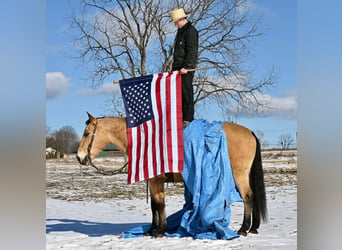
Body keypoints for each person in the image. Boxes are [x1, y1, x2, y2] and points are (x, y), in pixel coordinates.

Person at [170, 8, 199, 127]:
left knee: (186, 92)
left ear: (182, 19)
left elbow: (192, 51)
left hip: (185, 69)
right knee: (177, 93)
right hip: (177, 68)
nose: (175, 24)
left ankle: (188, 119)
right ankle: (179, 117)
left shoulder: (191, 31)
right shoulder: (180, 32)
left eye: (176, 22)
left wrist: (187, 66)